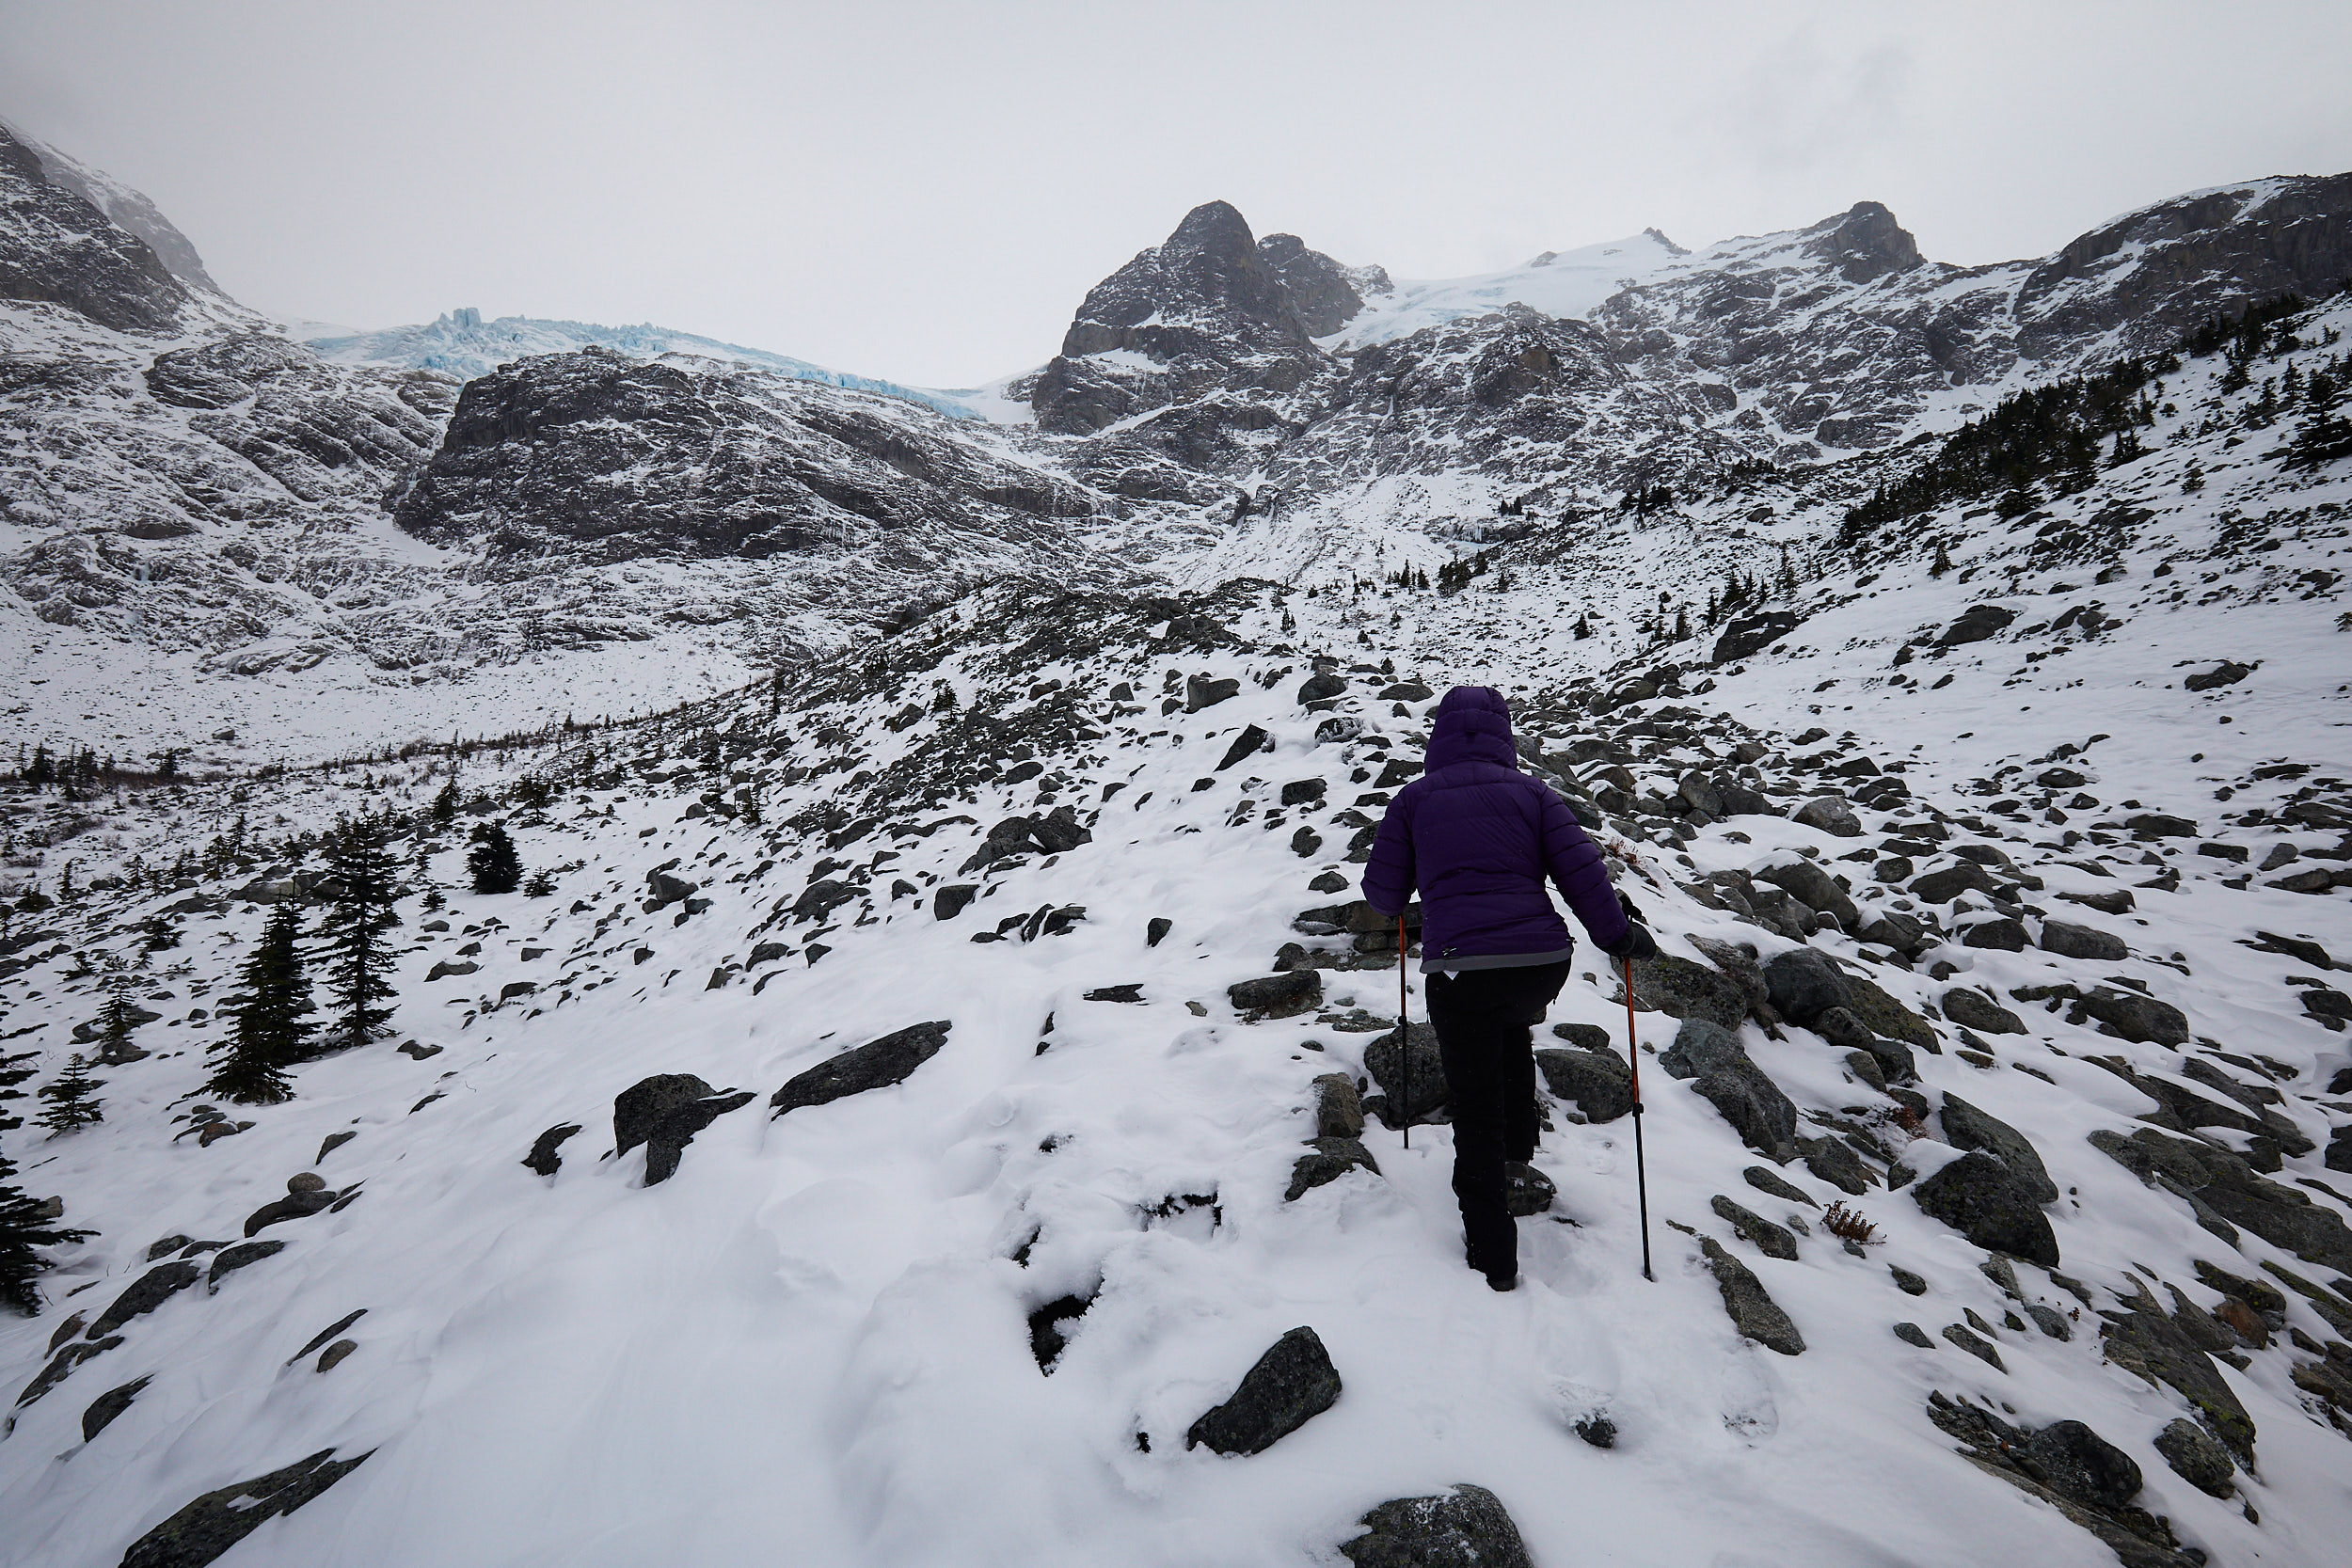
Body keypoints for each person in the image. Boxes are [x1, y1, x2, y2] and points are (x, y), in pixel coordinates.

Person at [1362, 685, 1657, 1291]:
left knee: (1475, 1105)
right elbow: (1582, 874)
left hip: (1460, 968)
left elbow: (1384, 897)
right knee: (1510, 1029)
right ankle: (1519, 1153)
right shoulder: (1534, 795)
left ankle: (1494, 1262)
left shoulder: (1413, 801)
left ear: (1438, 736)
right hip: (1539, 963)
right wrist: (1618, 937)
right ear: (1505, 734)